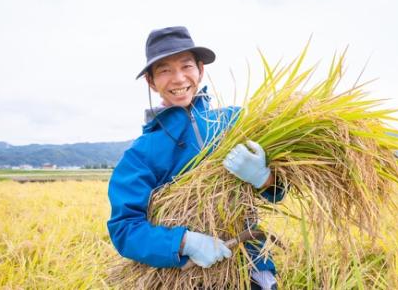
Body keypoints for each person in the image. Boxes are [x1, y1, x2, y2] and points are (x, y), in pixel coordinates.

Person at [107, 26, 285, 290]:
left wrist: (264, 177)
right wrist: (184, 242)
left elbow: (278, 191)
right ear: (151, 82)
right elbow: (125, 229)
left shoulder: (236, 122)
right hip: (189, 278)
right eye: (165, 70)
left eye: (186, 66)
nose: (178, 79)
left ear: (200, 70)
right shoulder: (141, 153)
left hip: (252, 267)